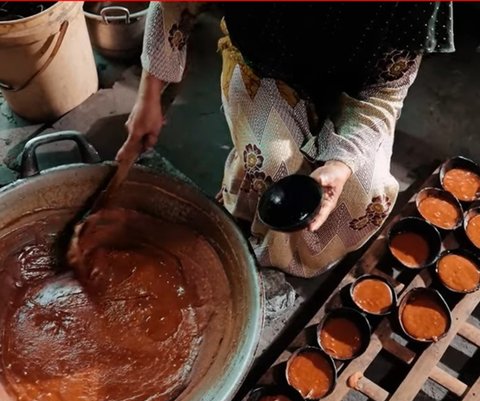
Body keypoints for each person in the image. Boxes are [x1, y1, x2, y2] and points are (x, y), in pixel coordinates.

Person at [117, 2, 454, 278]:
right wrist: (149, 96)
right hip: (263, 66)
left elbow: (384, 95)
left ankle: (294, 261)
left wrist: (341, 163)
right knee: (272, 166)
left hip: (359, 92)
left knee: (366, 195)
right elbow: (177, 5)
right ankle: (260, 251)